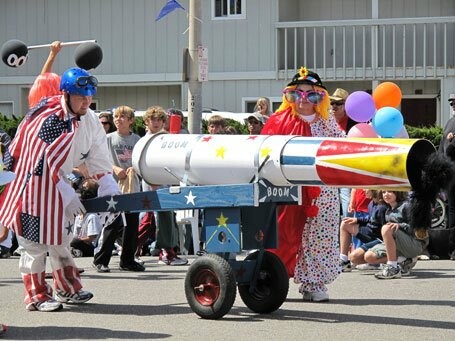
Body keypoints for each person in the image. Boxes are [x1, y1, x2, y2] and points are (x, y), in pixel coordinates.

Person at [0, 67, 121, 312]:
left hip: (58, 180)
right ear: (66, 94)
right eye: (81, 96)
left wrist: (107, 181)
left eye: (89, 96)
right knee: (33, 244)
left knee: (60, 239)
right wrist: (64, 191)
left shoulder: (89, 118)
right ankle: (36, 295)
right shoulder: (48, 116)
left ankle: (67, 287)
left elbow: (96, 150)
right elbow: (38, 158)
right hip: (30, 184)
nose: (86, 101)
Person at [261, 67, 345, 302]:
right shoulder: (278, 121)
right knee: (283, 234)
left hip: (323, 193)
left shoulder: (328, 124)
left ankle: (313, 283)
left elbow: (340, 153)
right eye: (297, 94)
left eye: (312, 95)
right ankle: (272, 279)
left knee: (319, 238)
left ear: (321, 98)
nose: (304, 100)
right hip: (289, 190)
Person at [93, 105, 145, 272]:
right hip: (113, 186)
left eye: (122, 116)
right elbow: (100, 159)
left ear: (130, 121)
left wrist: (134, 169)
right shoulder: (108, 139)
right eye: (116, 116)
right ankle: (101, 260)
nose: (117, 119)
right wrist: (115, 169)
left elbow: (142, 161)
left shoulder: (137, 140)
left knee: (131, 224)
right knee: (113, 223)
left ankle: (128, 260)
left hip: (132, 186)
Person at [139, 106, 188, 266]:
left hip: (165, 183)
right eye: (152, 119)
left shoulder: (166, 138)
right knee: (152, 220)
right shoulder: (145, 141)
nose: (156, 122)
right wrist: (152, 181)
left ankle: (168, 251)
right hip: (152, 184)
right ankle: (163, 252)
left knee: (166, 218)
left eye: (159, 119)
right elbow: (142, 164)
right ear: (146, 122)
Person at [363, 190, 423, 279]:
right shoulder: (387, 210)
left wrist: (399, 225)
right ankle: (404, 260)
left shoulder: (406, 206)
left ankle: (393, 267)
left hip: (414, 243)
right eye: (383, 192)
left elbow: (417, 228)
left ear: (397, 193)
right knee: (369, 257)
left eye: (390, 191)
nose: (386, 194)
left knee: (386, 228)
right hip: (398, 244)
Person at [339, 190, 386, 271]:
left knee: (354, 257)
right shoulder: (371, 204)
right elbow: (371, 220)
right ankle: (343, 260)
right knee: (345, 224)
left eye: (366, 188)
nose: (364, 190)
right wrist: (357, 220)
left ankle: (396, 260)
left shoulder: (382, 207)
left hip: (378, 239)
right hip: (369, 233)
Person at [329, 88, 356, 219]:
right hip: (328, 167)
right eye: (332, 102)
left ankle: (347, 236)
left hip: (346, 167)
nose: (334, 106)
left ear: (345, 106)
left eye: (338, 103)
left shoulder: (354, 123)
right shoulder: (325, 121)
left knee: (346, 204)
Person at [438, 95, 455, 260]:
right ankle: (450, 247)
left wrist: (450, 142)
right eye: (451, 102)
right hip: (449, 171)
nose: (452, 105)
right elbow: (442, 148)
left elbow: (449, 149)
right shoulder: (450, 122)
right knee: (451, 208)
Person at [70, 179, 103, 258]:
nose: (82, 190)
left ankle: (74, 251)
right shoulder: (78, 216)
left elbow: (90, 238)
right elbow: (75, 234)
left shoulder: (92, 216)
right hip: (80, 242)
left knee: (74, 242)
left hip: (90, 246)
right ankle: (74, 251)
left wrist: (76, 239)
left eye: (85, 188)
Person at [28, 41, 62, 108]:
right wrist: (53, 53)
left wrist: (53, 53)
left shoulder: (35, 113)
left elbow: (43, 81)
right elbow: (44, 81)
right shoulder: (62, 110)